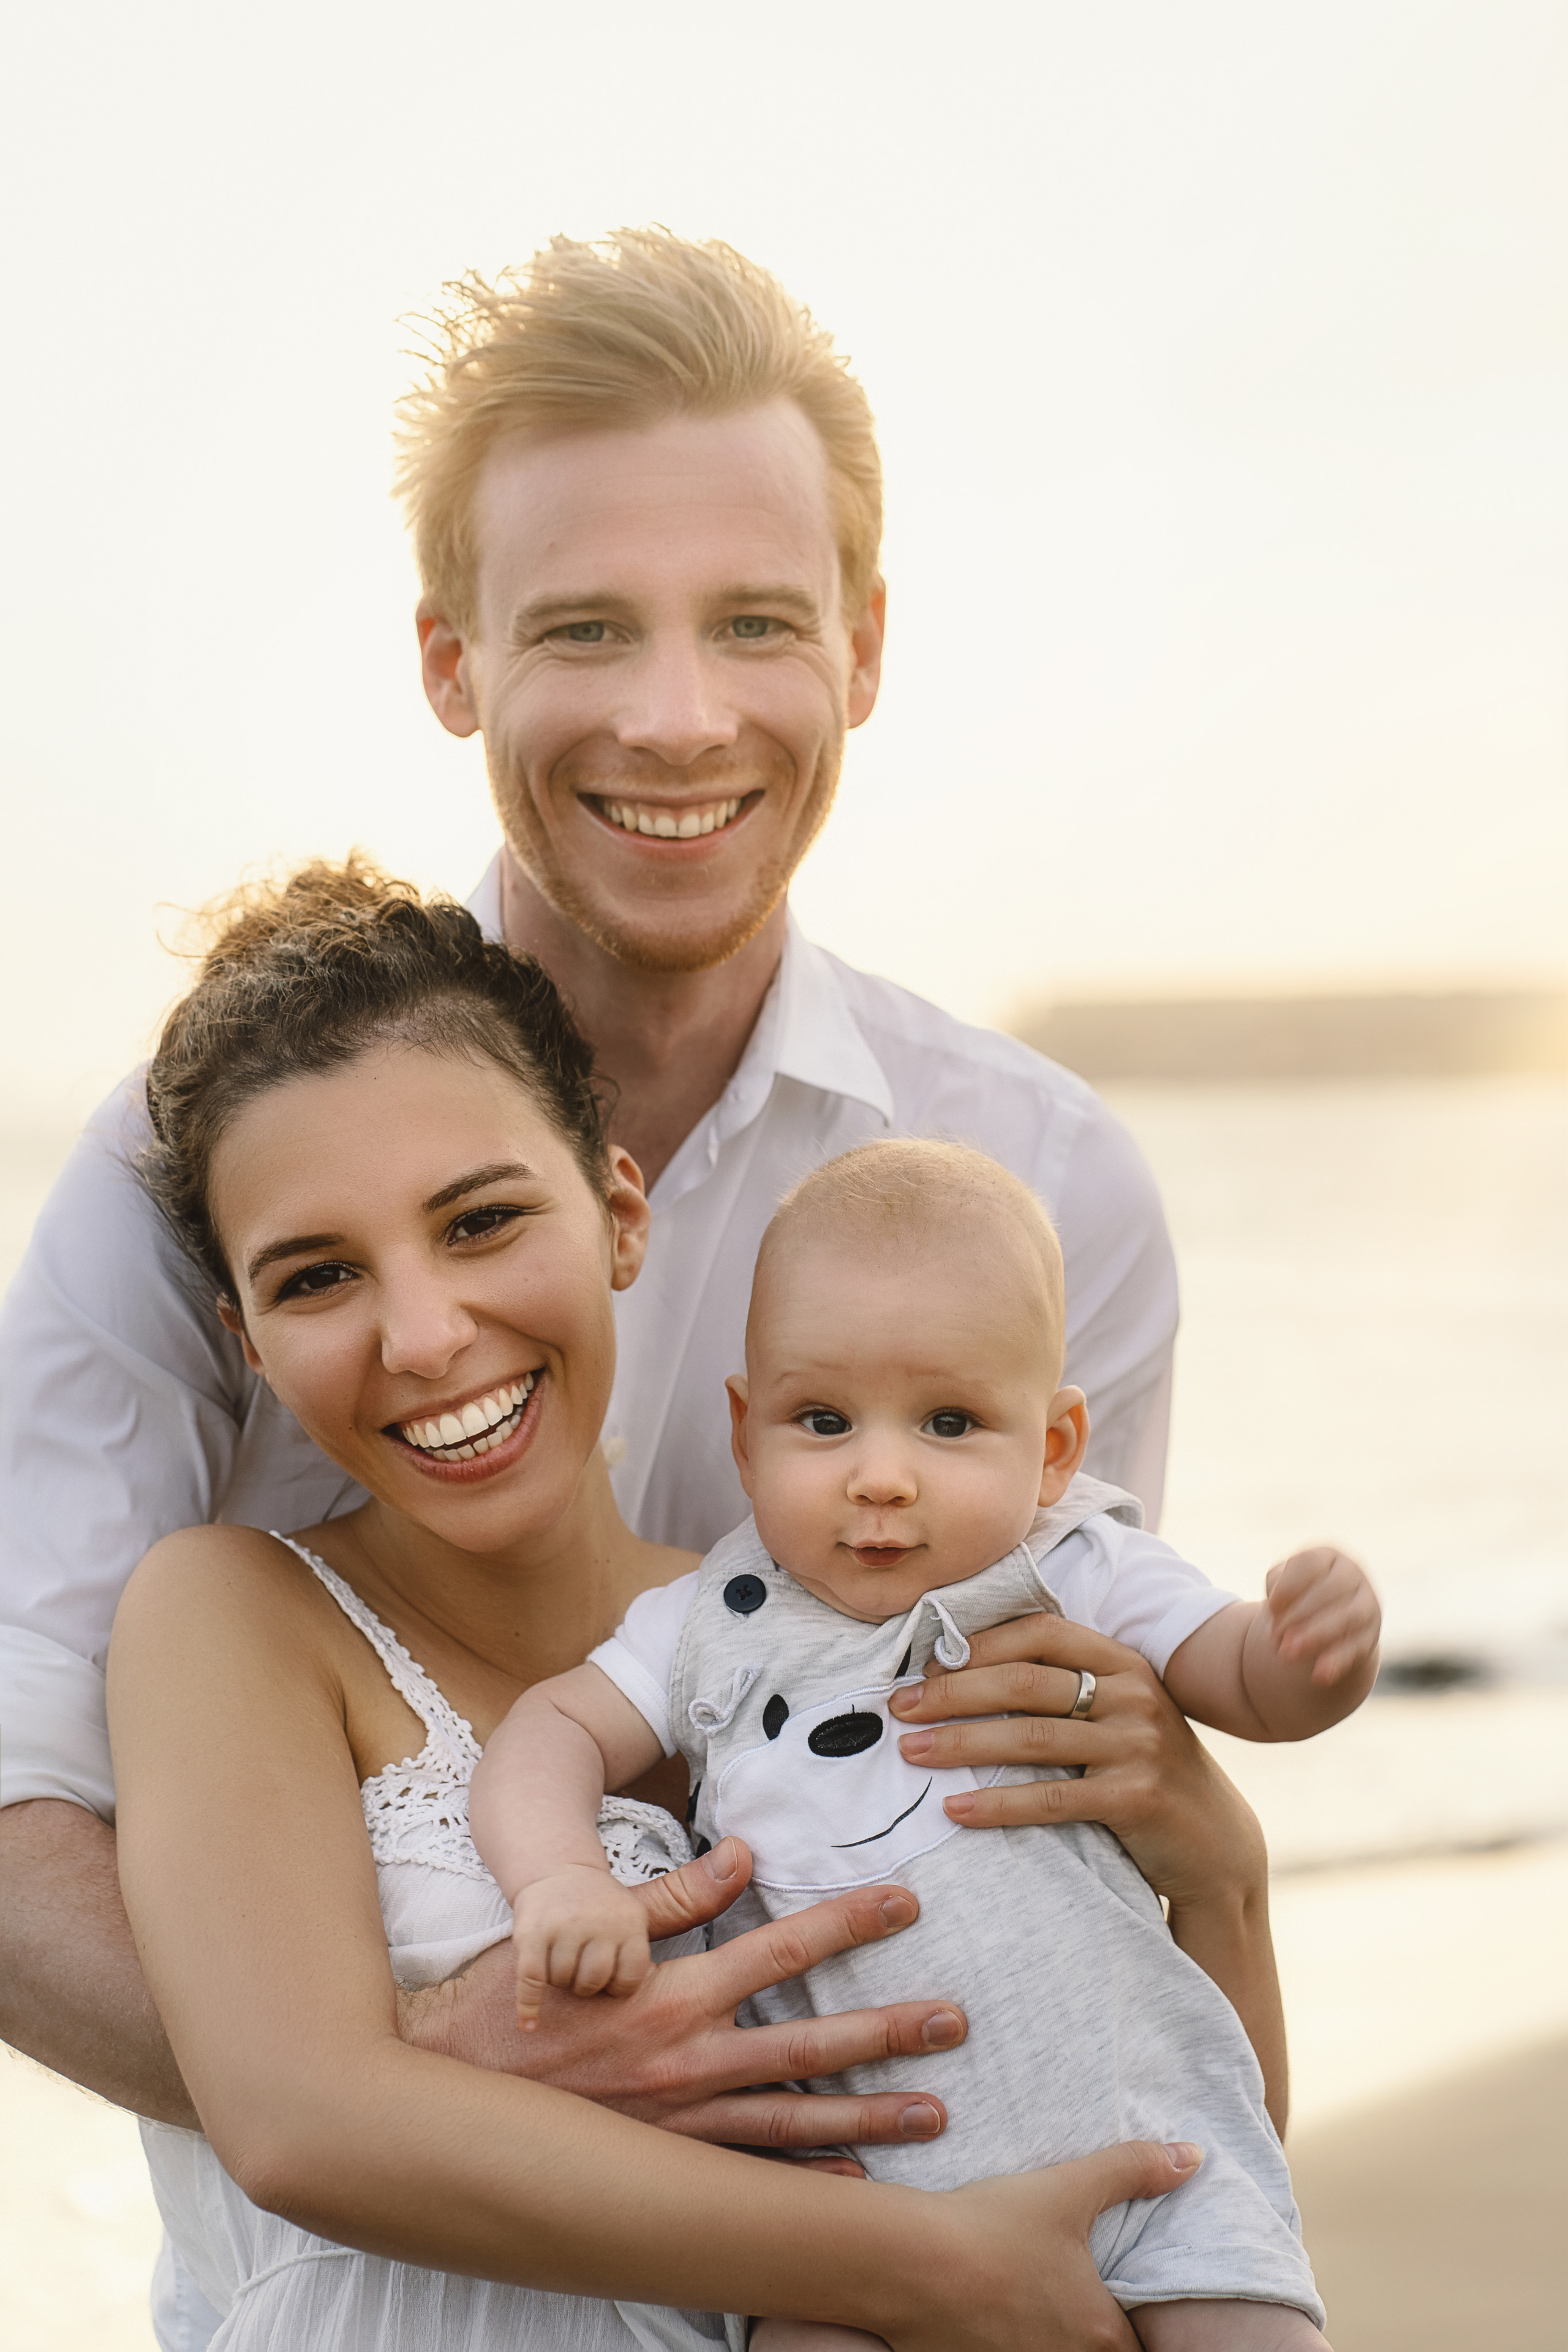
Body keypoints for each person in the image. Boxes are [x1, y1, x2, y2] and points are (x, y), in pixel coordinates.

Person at [1, 233, 1270, 2348]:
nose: (678, 717)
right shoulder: (184, 1174)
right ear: (451, 659)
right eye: (586, 628)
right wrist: (425, 2081)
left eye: (755, 623)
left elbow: (1036, 1833)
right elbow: (17, 1822)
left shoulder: (1049, 1192)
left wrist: (1217, 1861)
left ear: (861, 649)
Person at [108, 861, 1210, 2350]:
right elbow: (296, 2121)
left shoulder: (794, 1635)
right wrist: (922, 2264)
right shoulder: (233, 1614)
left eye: (483, 1222)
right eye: (318, 1277)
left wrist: (1226, 1878)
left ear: (621, 1216)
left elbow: (1162, 2141)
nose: (426, 1335)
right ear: (245, 1341)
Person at [474, 1141, 1381, 2348]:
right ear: (746, 1434)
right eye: (823, 1420)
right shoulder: (709, 1620)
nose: (880, 1477)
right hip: (857, 2191)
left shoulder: (1072, 1566)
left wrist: (1310, 1645)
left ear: (1052, 1449)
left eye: (948, 1422)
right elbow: (549, 1730)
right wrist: (559, 1880)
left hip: (1139, 2140)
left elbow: (1244, 1687)